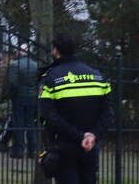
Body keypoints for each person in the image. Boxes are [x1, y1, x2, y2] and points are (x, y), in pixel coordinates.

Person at [38, 32, 112, 184]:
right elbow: (108, 113)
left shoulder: (51, 78)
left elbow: (48, 115)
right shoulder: (98, 76)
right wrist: (92, 135)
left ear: (55, 50)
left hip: (64, 146)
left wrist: (79, 136)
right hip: (90, 146)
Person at [7, 43, 39, 159]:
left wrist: (11, 95)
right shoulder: (35, 65)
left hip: (19, 96)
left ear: (19, 52)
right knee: (30, 123)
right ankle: (32, 150)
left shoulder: (15, 65)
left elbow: (13, 83)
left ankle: (18, 150)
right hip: (32, 97)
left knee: (18, 123)